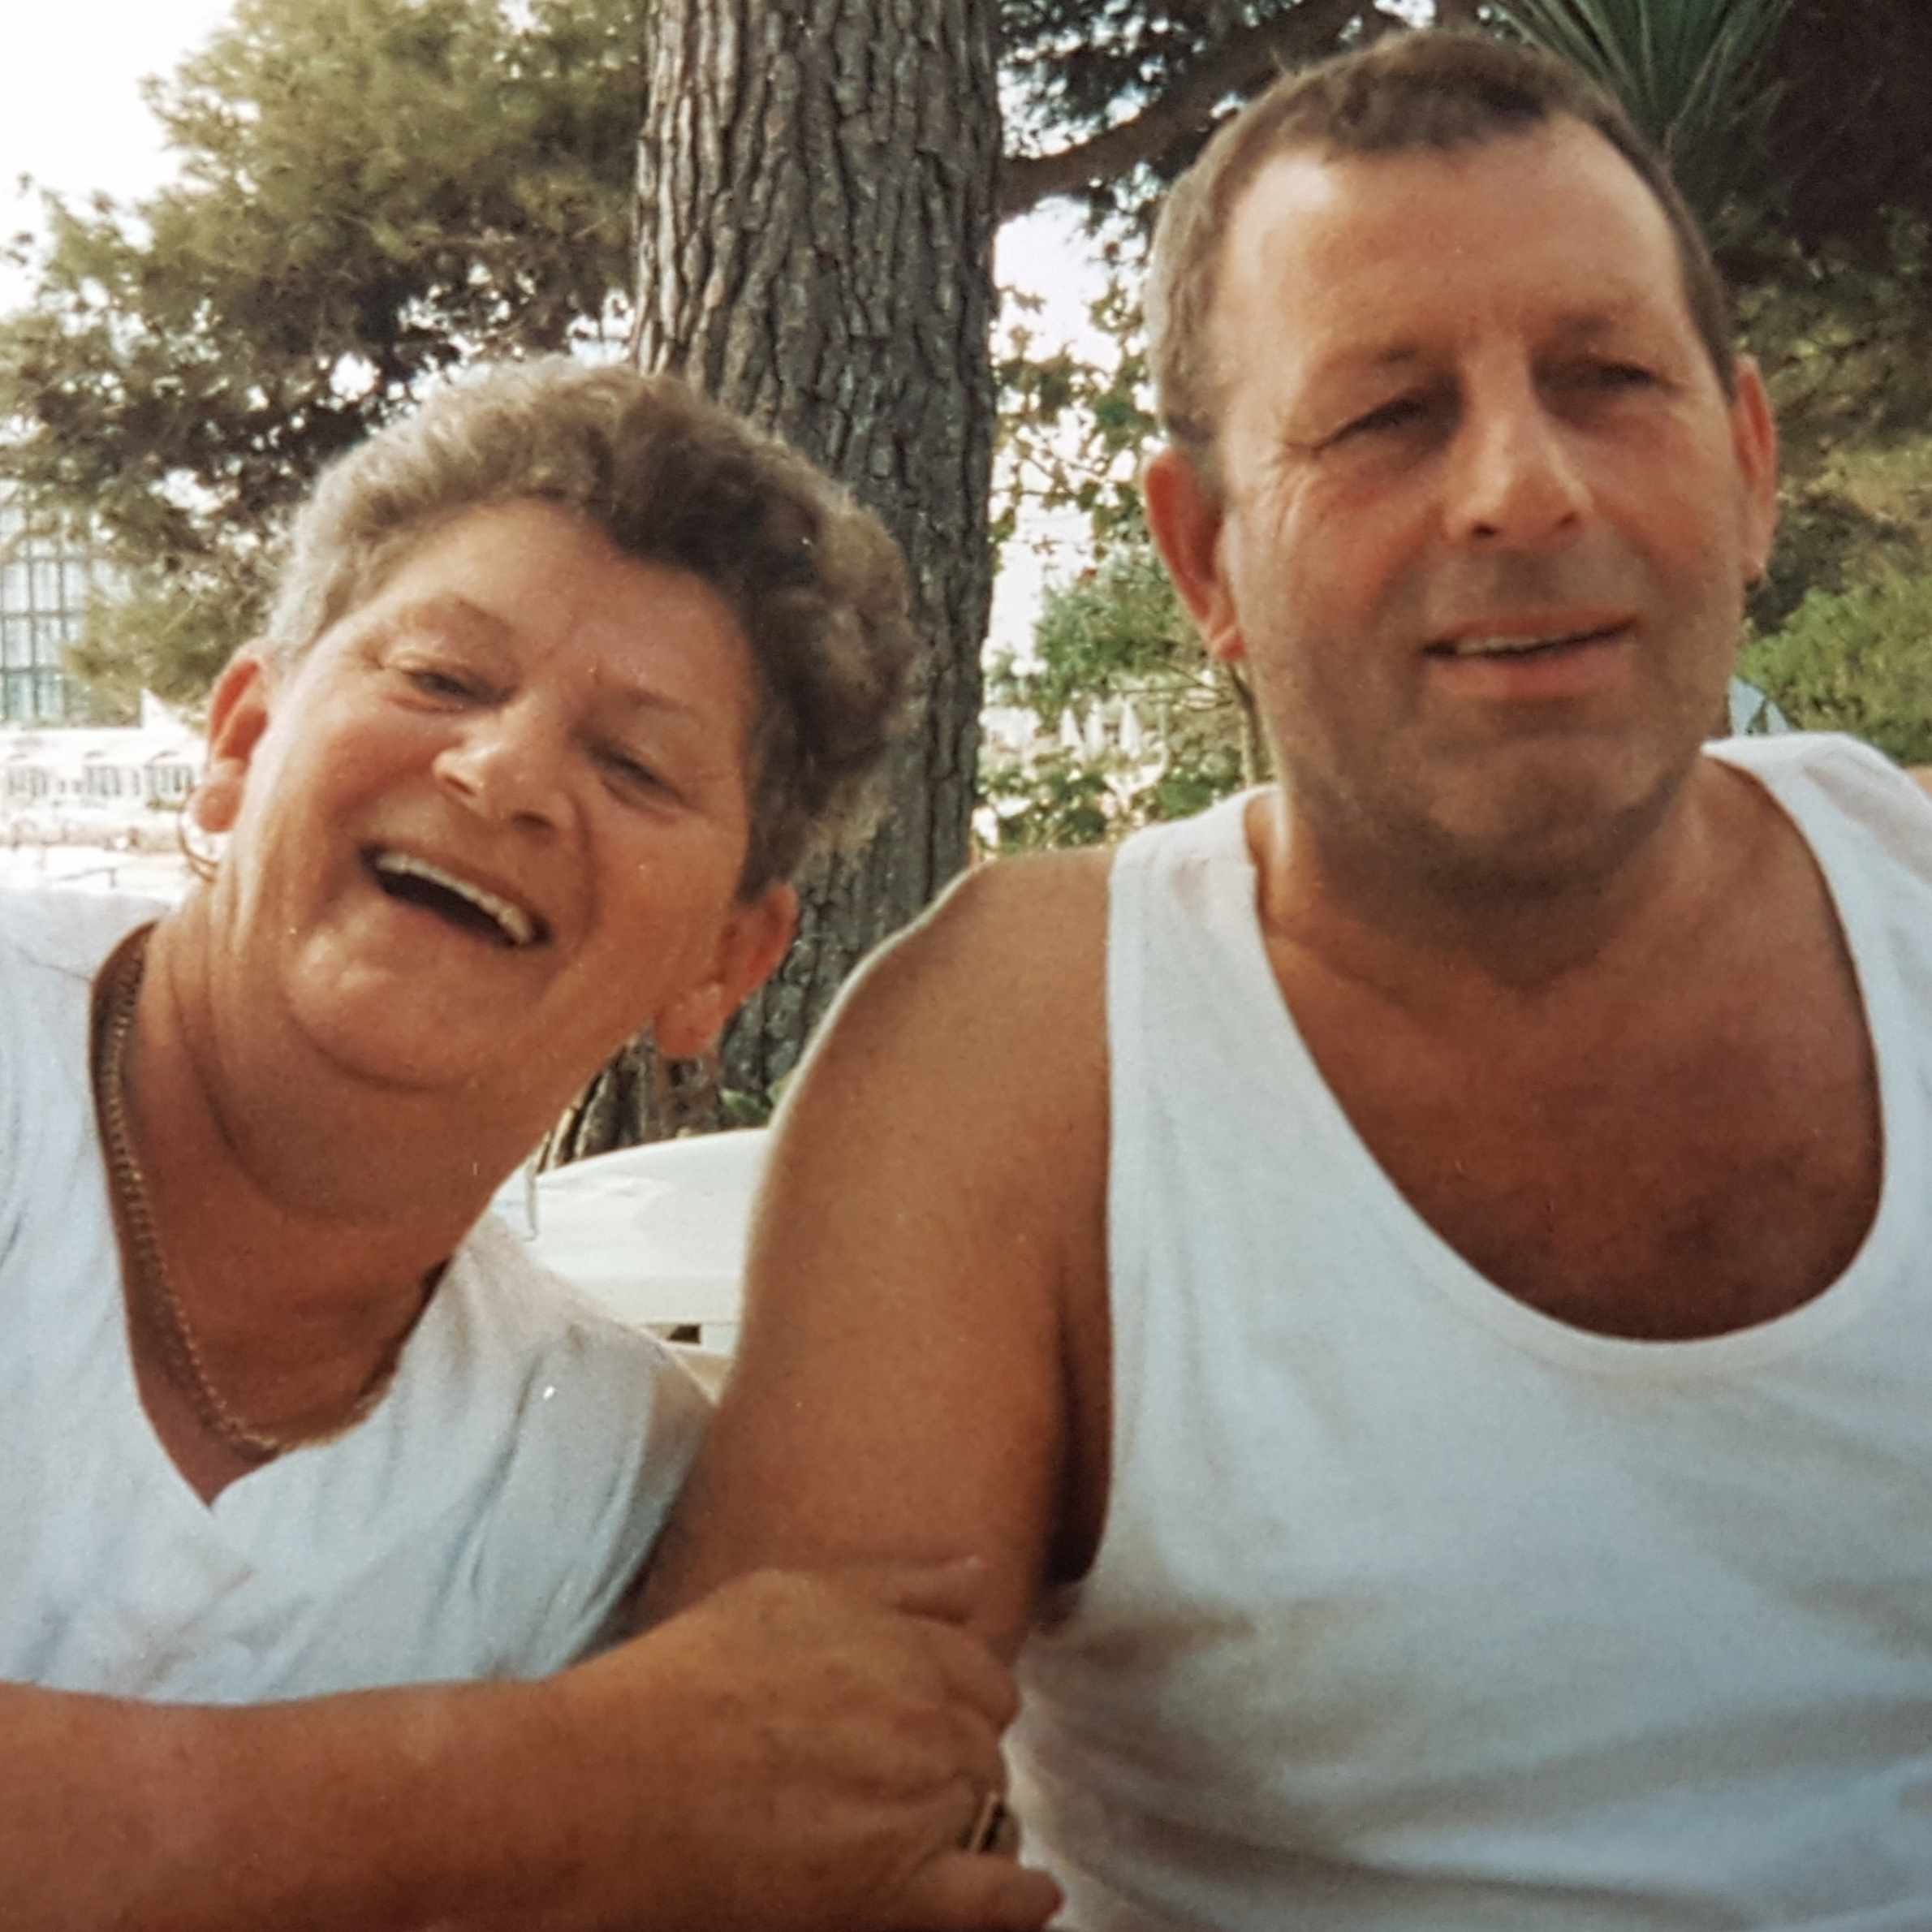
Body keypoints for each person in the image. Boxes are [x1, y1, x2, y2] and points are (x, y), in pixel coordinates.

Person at [645, 30, 1932, 1929]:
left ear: (1744, 468)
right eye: (1385, 416)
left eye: (1604, 380)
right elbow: (746, 1846)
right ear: (1203, 556)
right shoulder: (1034, 1048)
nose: (1516, 486)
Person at [0, 357, 1057, 1932]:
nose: (500, 774)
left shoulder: (593, 1474)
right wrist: (558, 1783)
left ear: (725, 961)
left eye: (632, 764)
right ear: (240, 735)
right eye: (438, 678)